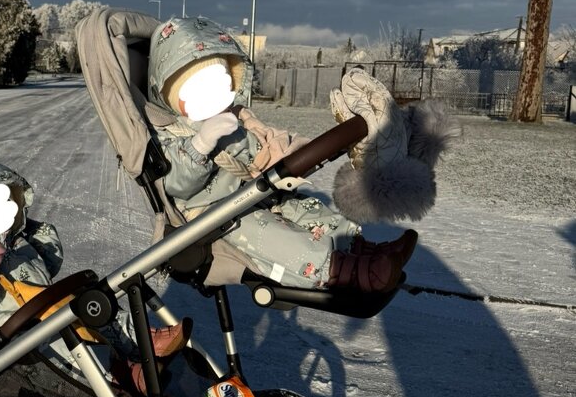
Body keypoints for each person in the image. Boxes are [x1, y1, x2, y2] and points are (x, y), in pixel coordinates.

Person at [145, 17, 423, 293]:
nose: (211, 96)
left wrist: (281, 150)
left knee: (307, 208)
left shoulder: (230, 118)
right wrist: (201, 143)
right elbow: (175, 184)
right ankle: (345, 271)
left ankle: (360, 249)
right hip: (214, 215)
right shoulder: (171, 133)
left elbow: (253, 151)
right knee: (274, 237)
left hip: (251, 195)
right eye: (197, 89)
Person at [0, 160, 189, 391]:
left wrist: (30, 229)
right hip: (15, 334)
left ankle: (141, 340)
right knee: (65, 345)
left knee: (92, 304)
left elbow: (50, 262)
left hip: (48, 307)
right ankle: (119, 378)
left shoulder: (16, 241)